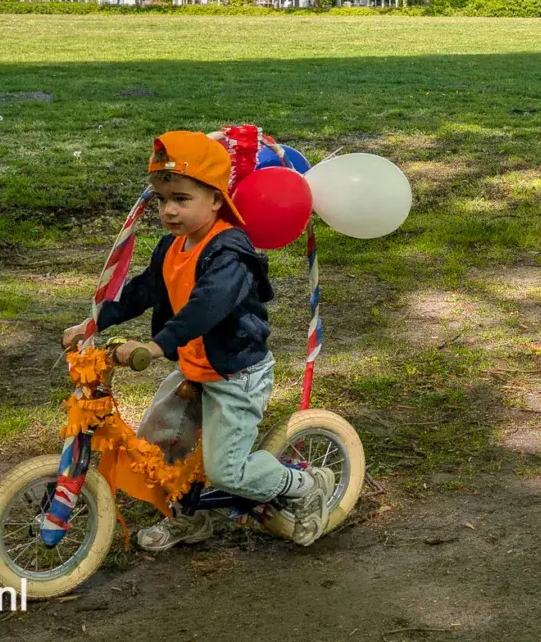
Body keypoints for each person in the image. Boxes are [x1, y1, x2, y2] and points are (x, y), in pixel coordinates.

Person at [61, 130, 336, 552]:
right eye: (161, 199)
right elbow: (144, 290)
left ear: (216, 198)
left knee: (227, 470)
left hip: (235, 373)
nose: (169, 211)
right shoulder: (173, 245)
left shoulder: (230, 251)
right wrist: (95, 322)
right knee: (163, 445)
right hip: (194, 365)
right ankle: (191, 518)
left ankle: (305, 483)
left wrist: (156, 346)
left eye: (182, 199)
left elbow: (208, 306)